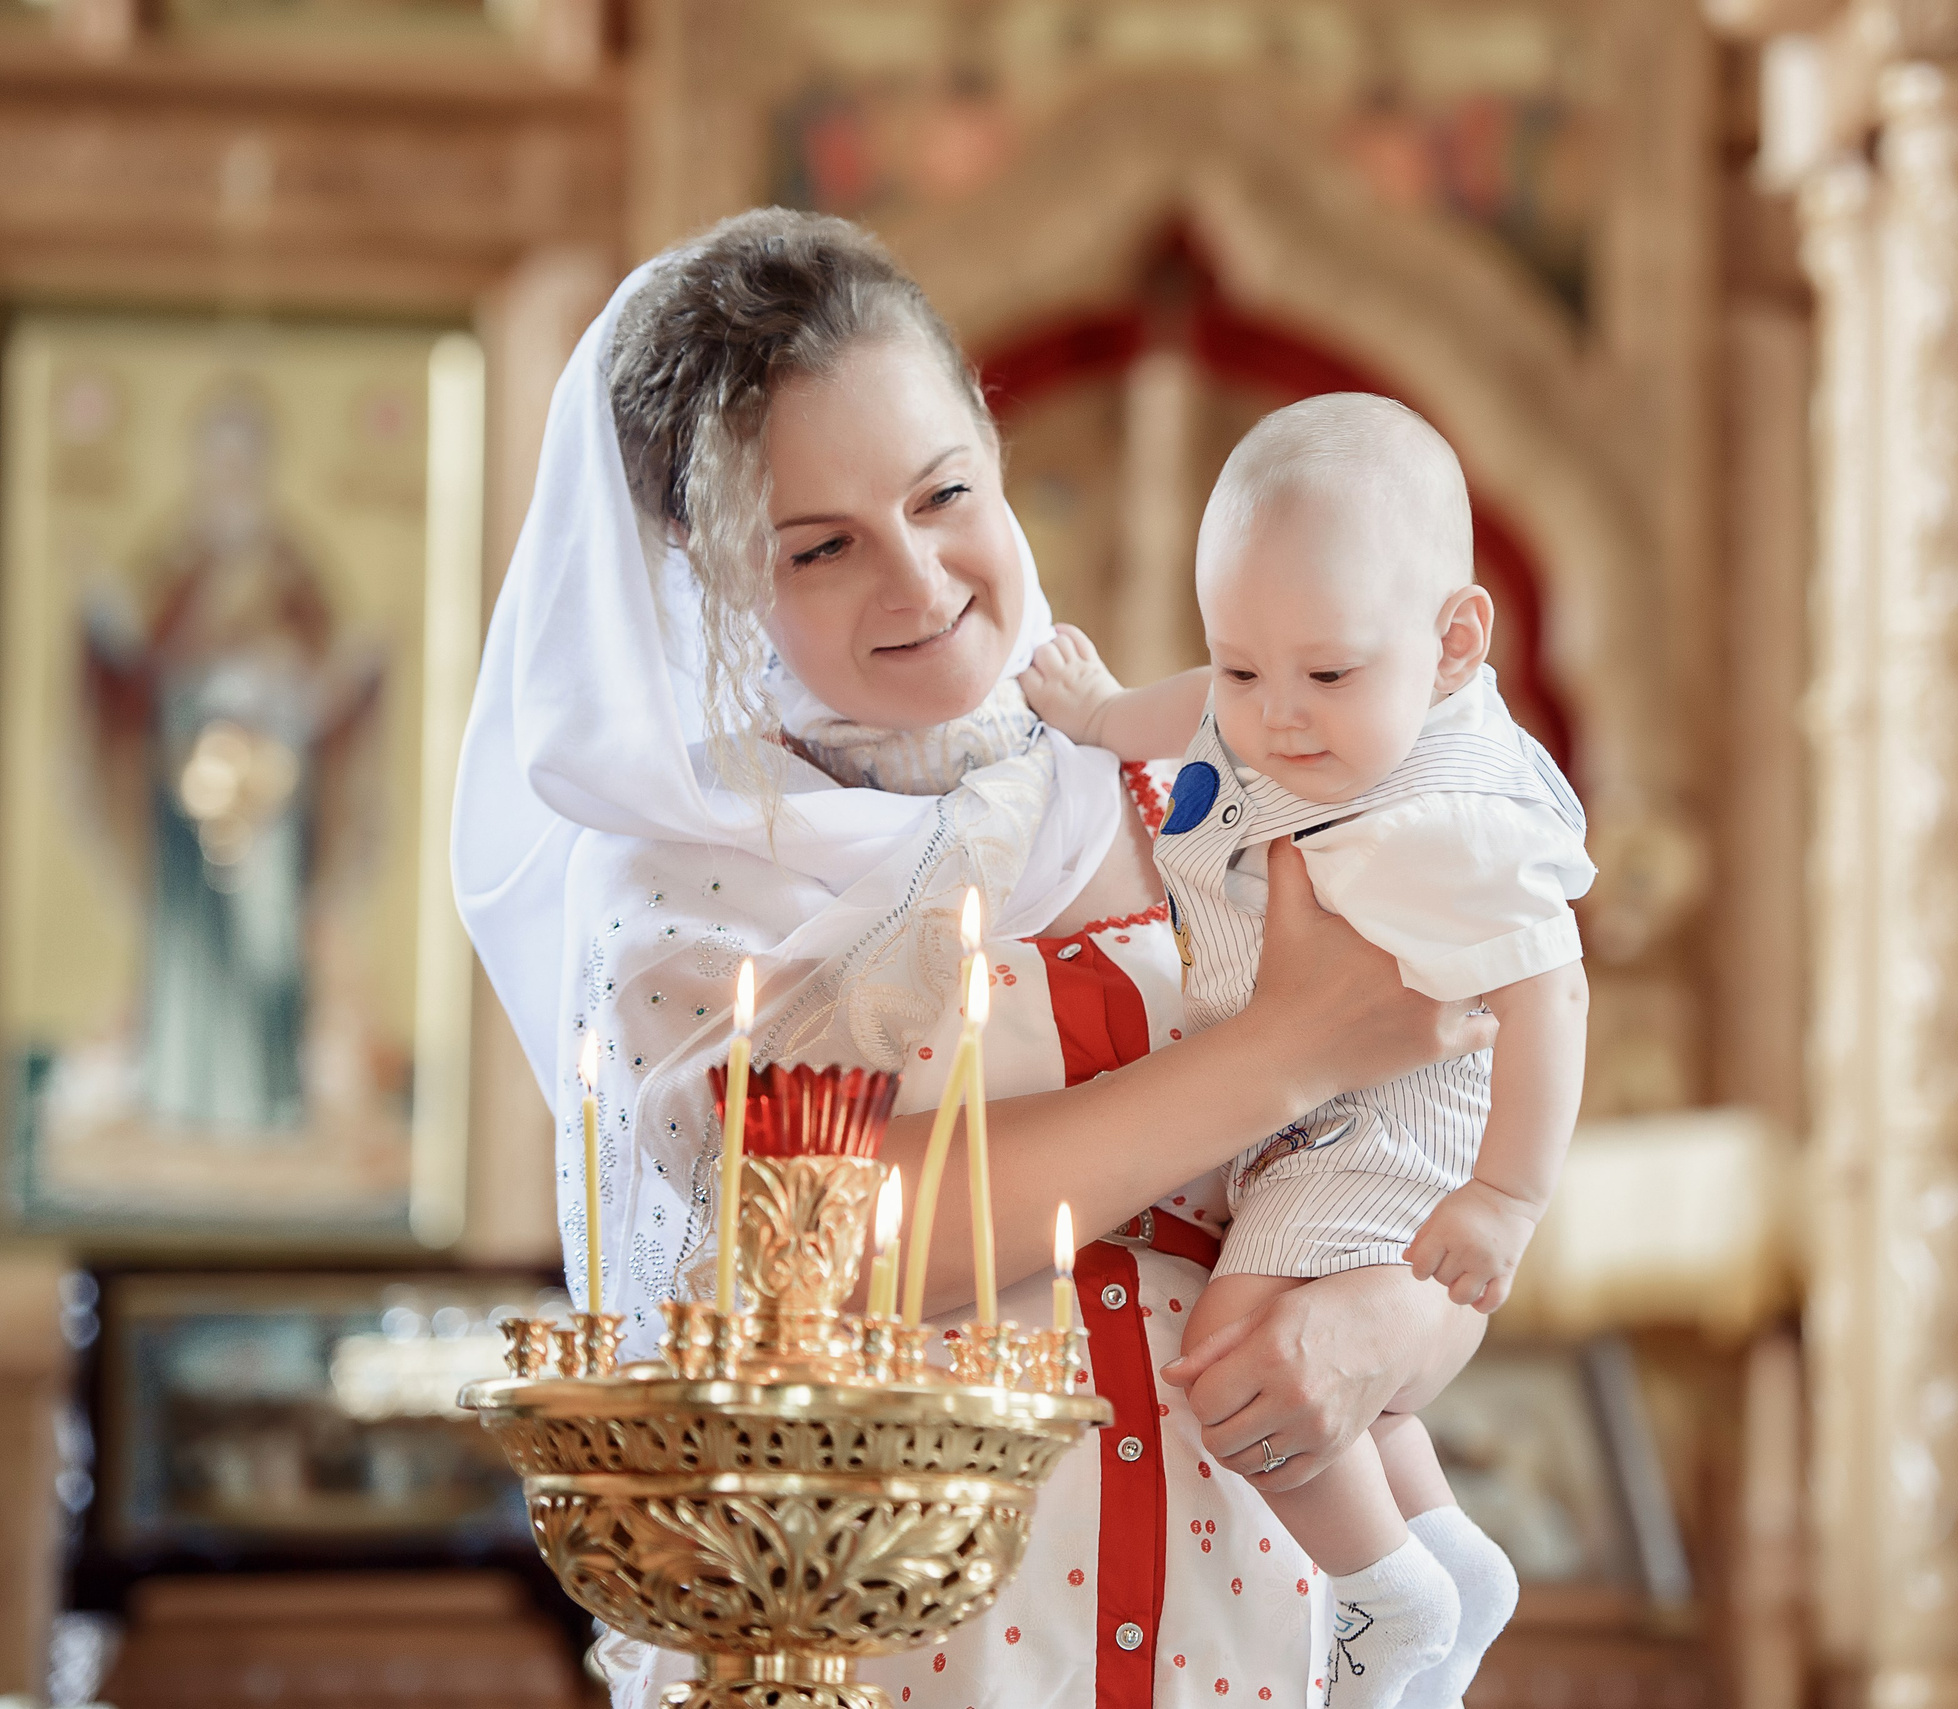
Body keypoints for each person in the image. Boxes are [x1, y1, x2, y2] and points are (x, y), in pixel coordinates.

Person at [450, 210, 1504, 1709]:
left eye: (944, 493)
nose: (919, 578)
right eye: (821, 547)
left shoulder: (1187, 782)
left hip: (1259, 1639)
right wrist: (1281, 1053)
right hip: (902, 1650)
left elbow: (1428, 1147)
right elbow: (825, 1251)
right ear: (709, 573)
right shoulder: (680, 883)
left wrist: (1398, 1323)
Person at [1022, 395, 1589, 1709]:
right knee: (1340, 1381)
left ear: (1453, 644)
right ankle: (1445, 1555)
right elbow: (1199, 721)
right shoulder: (1292, 712)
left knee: (1235, 1354)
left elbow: (1551, 990)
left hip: (1390, 1126)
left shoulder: (1451, 814)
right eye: (1241, 666)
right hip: (1314, 1109)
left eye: (1326, 675)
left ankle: (1384, 1597)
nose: (1274, 716)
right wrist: (1105, 713)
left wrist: (1505, 1196)